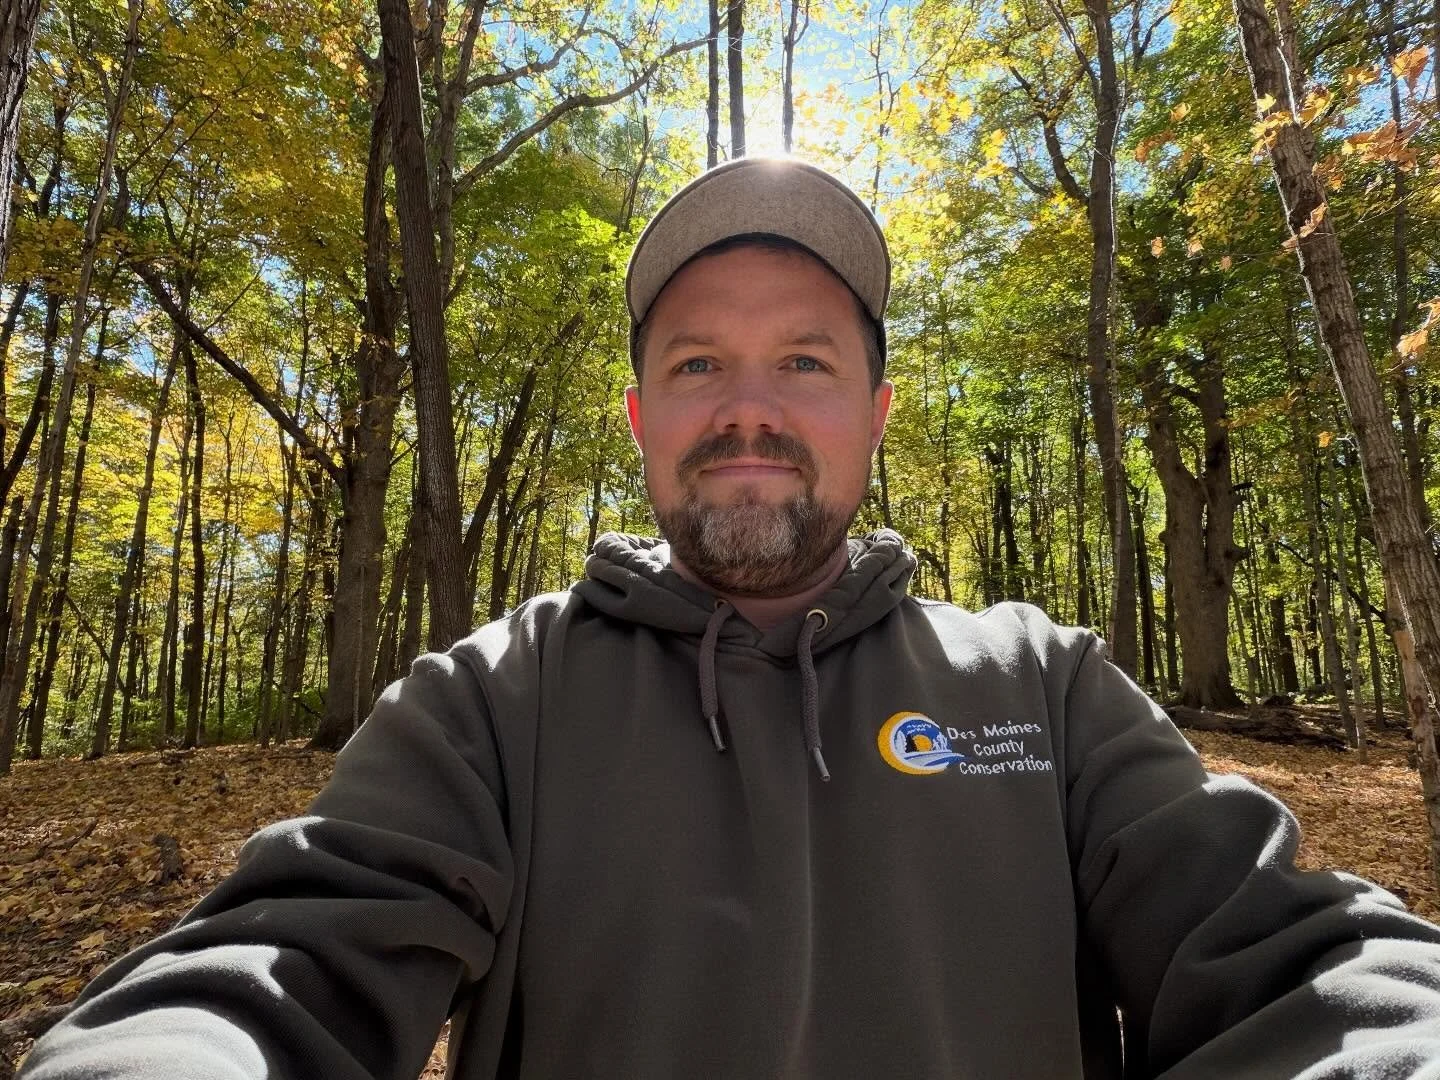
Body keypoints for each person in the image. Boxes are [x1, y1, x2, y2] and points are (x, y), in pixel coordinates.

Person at [19, 158, 1440, 1080]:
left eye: (806, 361)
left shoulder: (1044, 690)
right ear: (642, 420)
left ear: (874, 419)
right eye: (701, 361)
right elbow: (277, 967)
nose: (750, 405)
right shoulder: (493, 701)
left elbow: (1298, 956)